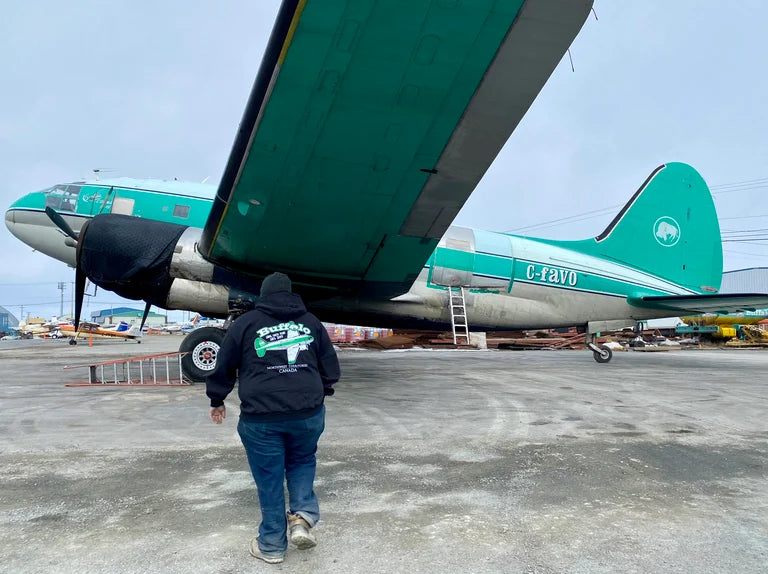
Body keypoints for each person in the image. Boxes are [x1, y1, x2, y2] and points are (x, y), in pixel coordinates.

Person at [206, 272, 340, 564]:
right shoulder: (311, 322)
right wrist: (323, 390)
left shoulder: (246, 324)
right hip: (308, 413)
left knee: (269, 479)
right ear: (291, 294)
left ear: (262, 296)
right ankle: (303, 517)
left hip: (261, 417)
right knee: (302, 460)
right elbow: (330, 365)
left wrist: (217, 399)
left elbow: (224, 365)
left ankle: (271, 546)